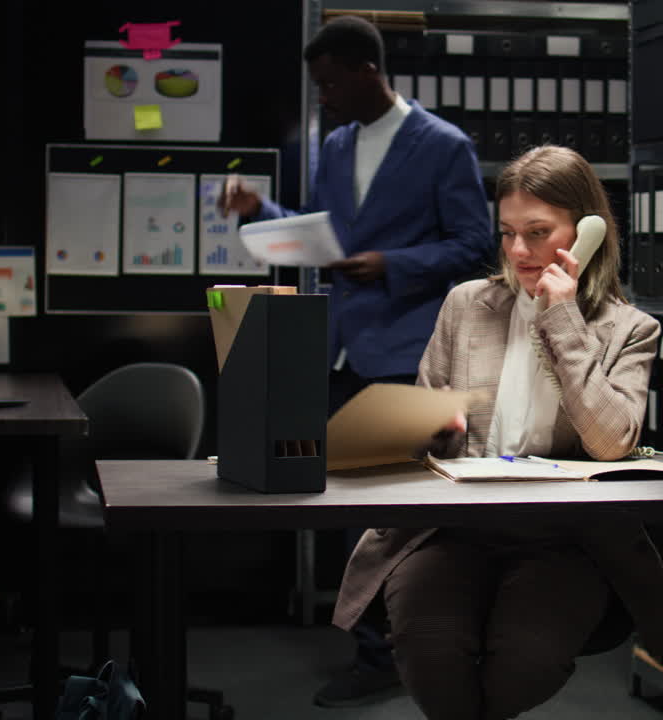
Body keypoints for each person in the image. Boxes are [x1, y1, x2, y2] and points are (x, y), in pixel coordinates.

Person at [330, 145, 663, 720]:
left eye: (538, 232)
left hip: (563, 537)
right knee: (429, 655)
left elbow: (612, 441)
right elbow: (418, 436)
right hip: (453, 527)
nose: (518, 250)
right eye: (508, 232)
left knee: (525, 663)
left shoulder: (628, 329)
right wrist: (427, 421)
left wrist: (561, 316)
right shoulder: (467, 305)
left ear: (587, 230)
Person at [219, 15, 494, 708]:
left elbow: (472, 245)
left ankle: (389, 654)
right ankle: (387, 647)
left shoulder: (443, 145)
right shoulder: (335, 145)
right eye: (319, 87)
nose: (324, 99)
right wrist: (264, 210)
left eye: (332, 83)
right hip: (340, 345)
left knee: (380, 509)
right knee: (344, 498)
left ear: (368, 71)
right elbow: (323, 235)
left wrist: (392, 263)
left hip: (408, 351)